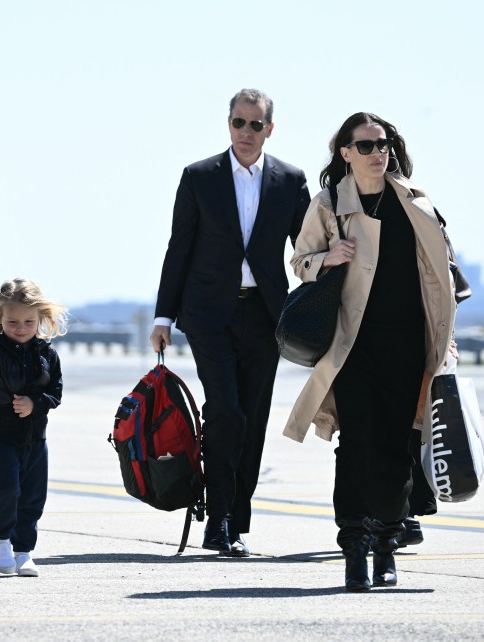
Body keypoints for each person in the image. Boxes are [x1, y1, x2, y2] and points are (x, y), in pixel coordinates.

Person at [283, 112, 460, 591]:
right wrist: (327, 259)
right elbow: (300, 262)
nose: (377, 153)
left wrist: (445, 346)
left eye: (383, 144)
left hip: (408, 343)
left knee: (397, 448)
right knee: (356, 445)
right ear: (345, 153)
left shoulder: (415, 202)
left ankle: (387, 545)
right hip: (352, 345)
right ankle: (355, 549)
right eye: (365, 146)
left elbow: (442, 276)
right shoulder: (329, 205)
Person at [150, 89, 311, 556]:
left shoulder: (290, 180)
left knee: (253, 419)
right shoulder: (199, 177)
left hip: (265, 317)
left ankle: (235, 522)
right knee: (226, 410)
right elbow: (177, 248)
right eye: (238, 123)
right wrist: (164, 315)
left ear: (269, 130)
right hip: (207, 314)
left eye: (255, 125)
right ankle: (216, 518)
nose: (245, 132)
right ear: (228, 124)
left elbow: (306, 247)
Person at [0, 278, 66, 577]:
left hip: (35, 437)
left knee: (33, 496)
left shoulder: (47, 354)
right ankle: (1, 540)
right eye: (13, 321)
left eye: (29, 321)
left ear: (41, 319)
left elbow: (56, 392)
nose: (21, 327)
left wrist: (35, 402)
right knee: (8, 489)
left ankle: (23, 551)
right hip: (1, 434)